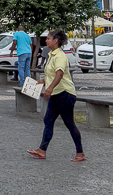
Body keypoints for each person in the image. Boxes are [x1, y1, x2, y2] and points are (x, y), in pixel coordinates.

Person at [27, 29, 85, 161]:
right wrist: (44, 82)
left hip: (65, 93)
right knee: (48, 120)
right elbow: (52, 74)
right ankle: (42, 150)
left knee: (69, 123)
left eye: (48, 38)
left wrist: (50, 88)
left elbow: (59, 74)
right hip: (56, 93)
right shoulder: (52, 55)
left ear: (55, 41)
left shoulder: (60, 56)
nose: (46, 40)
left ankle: (80, 153)